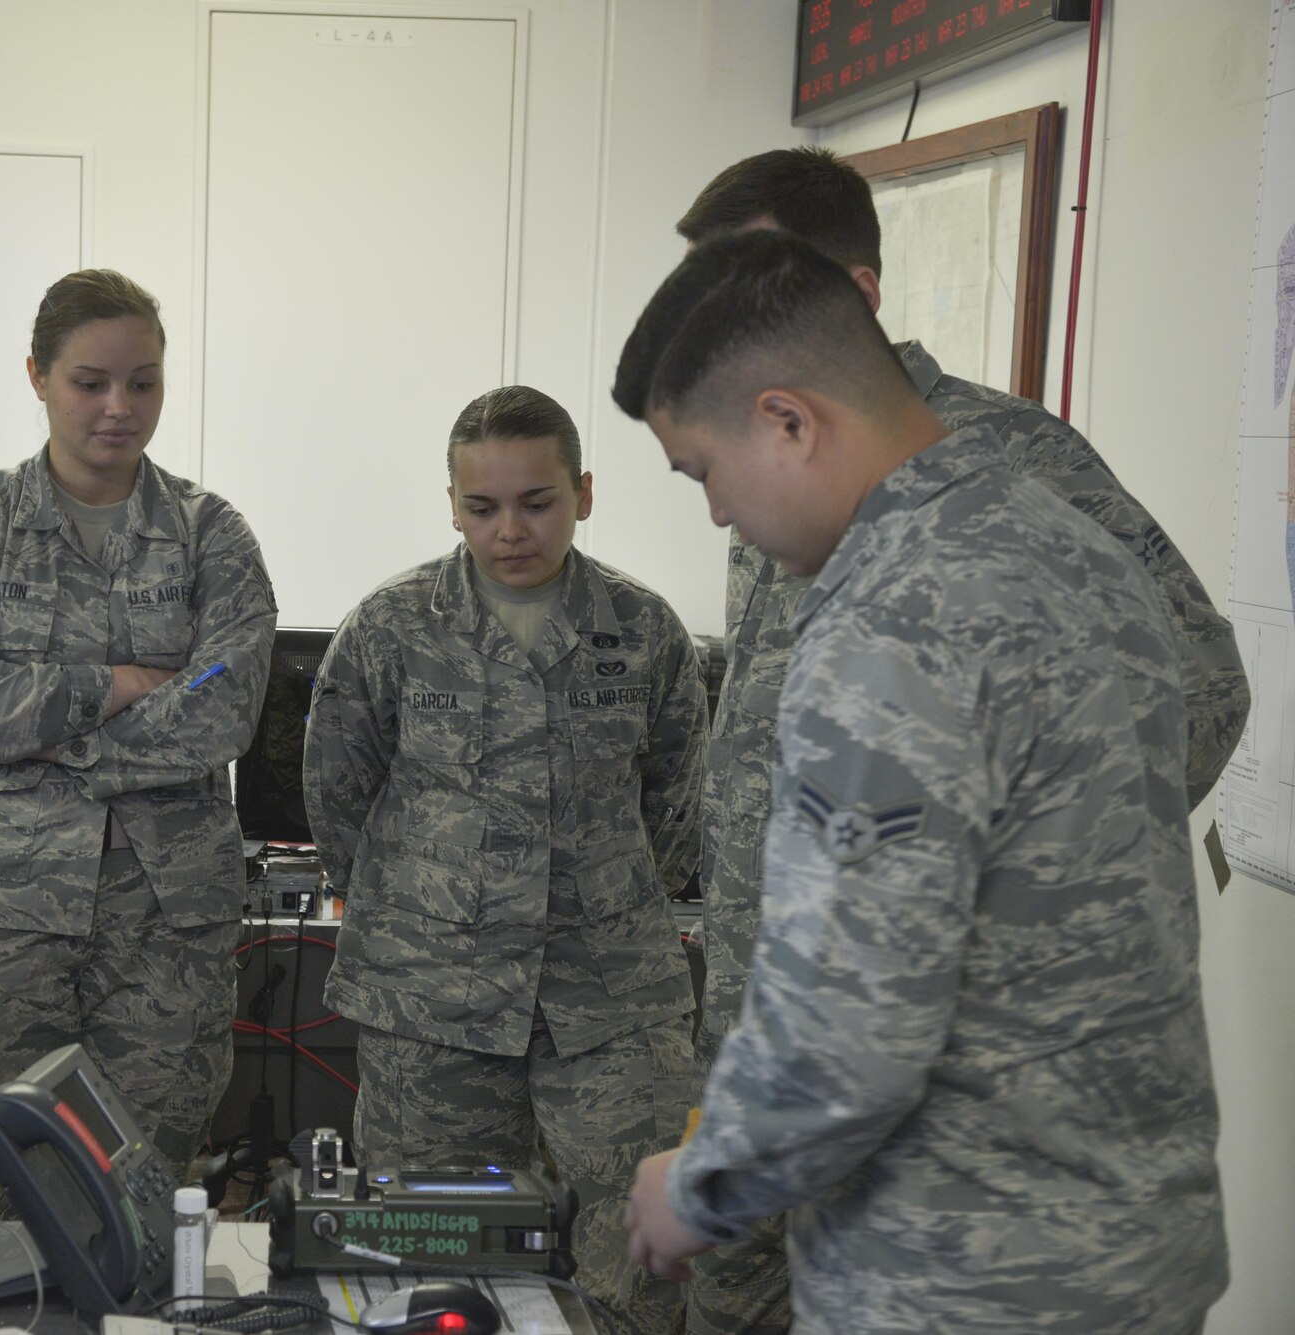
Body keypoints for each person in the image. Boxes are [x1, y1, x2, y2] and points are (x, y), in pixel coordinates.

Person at [666, 146, 1249, 1335]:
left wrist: (1011, 878)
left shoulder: (1005, 461)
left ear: (856, 295)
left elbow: (1199, 678)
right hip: (776, 1037)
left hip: (954, 1126)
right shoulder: (779, 456)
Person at [303, 386, 706, 1334]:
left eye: (537, 502)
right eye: (482, 507)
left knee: (642, 1257)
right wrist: (425, 908)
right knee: (432, 1258)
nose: (510, 530)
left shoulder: (643, 630)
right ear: (451, 503)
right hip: (433, 998)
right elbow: (336, 791)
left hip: (608, 995)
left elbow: (679, 802)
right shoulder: (392, 627)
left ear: (584, 493)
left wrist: (602, 900)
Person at [0, 269, 277, 1220]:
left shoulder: (211, 535)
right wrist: (117, 686)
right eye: (90, 382)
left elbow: (224, 710)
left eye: (143, 382)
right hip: (1, 916)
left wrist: (46, 740)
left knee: (139, 1191)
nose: (120, 407)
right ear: (36, 376)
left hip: (166, 921)